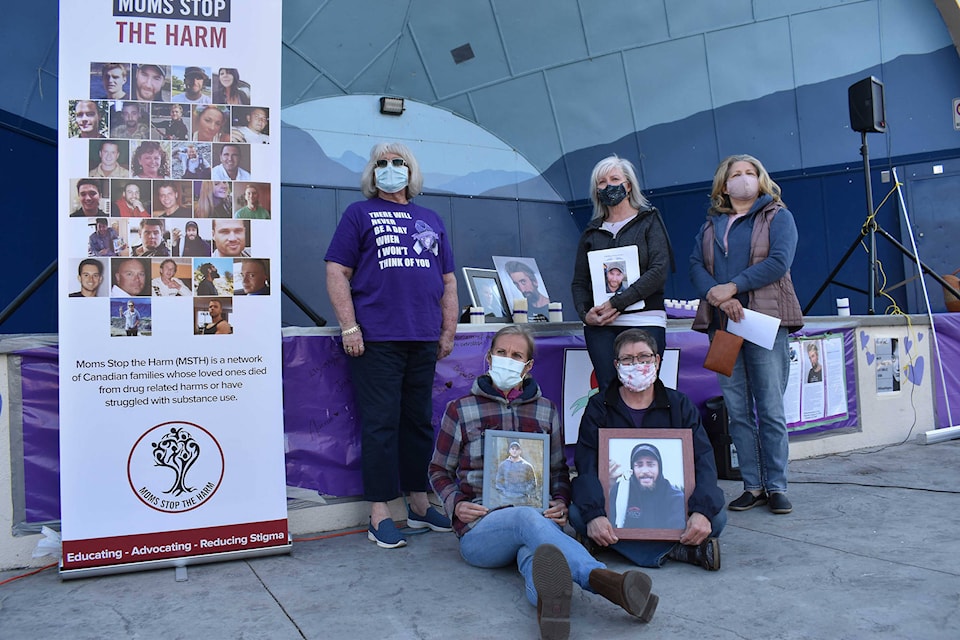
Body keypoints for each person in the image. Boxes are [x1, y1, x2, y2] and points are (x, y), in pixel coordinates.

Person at [429, 326, 658, 637]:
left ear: (528, 366)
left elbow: (558, 471)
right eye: (501, 353)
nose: (507, 360)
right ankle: (606, 582)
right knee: (525, 518)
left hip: (538, 522)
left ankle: (552, 611)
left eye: (517, 355)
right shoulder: (460, 409)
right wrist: (456, 504)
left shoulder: (545, 411)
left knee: (539, 559)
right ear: (489, 357)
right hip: (480, 531)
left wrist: (561, 502)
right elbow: (438, 470)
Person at [325, 141, 458, 549]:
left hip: (423, 337)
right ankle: (380, 511)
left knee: (418, 422)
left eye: (398, 162)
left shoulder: (430, 218)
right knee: (381, 424)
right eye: (381, 163)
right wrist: (349, 327)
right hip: (377, 338)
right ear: (371, 173)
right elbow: (336, 270)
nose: (390, 168)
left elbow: (448, 280)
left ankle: (419, 502)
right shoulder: (358, 214)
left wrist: (448, 330)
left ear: (412, 171)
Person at [690, 154, 804, 516]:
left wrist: (733, 286)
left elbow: (778, 262)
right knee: (736, 411)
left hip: (765, 322)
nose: (743, 179)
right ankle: (752, 485)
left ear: (761, 179)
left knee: (770, 408)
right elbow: (695, 264)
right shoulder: (711, 225)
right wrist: (718, 297)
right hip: (723, 325)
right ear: (724, 185)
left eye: (750, 173)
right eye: (735, 174)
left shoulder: (778, 216)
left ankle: (777, 486)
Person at [572, 329, 726, 571]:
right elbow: (586, 462)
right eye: (627, 359)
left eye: (644, 358)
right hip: (618, 504)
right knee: (579, 515)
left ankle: (608, 545)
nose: (637, 365)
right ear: (616, 365)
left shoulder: (679, 404)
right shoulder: (599, 406)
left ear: (657, 360)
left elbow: (703, 459)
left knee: (715, 518)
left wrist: (701, 512)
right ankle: (678, 551)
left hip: (669, 506)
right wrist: (595, 515)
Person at [571, 155, 672, 396]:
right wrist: (586, 315)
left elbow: (658, 270)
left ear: (628, 185)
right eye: (602, 182)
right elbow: (579, 282)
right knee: (608, 392)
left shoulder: (649, 220)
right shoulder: (592, 231)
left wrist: (617, 303)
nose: (609, 186)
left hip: (646, 320)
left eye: (615, 179)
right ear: (596, 190)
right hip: (602, 326)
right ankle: (611, 436)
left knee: (644, 391)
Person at [608, 443, 686, 530]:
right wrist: (608, 487)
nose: (645, 470)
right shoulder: (619, 491)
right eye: (639, 465)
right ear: (632, 469)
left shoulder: (675, 498)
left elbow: (678, 532)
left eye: (650, 464)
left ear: (659, 468)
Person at [493, 441, 539, 507]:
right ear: (509, 450)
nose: (514, 451)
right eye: (512, 449)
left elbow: (533, 482)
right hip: (506, 501)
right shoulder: (502, 465)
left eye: (517, 449)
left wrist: (524, 492)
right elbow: (498, 482)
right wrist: (505, 494)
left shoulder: (527, 466)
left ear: (520, 451)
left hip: (523, 501)